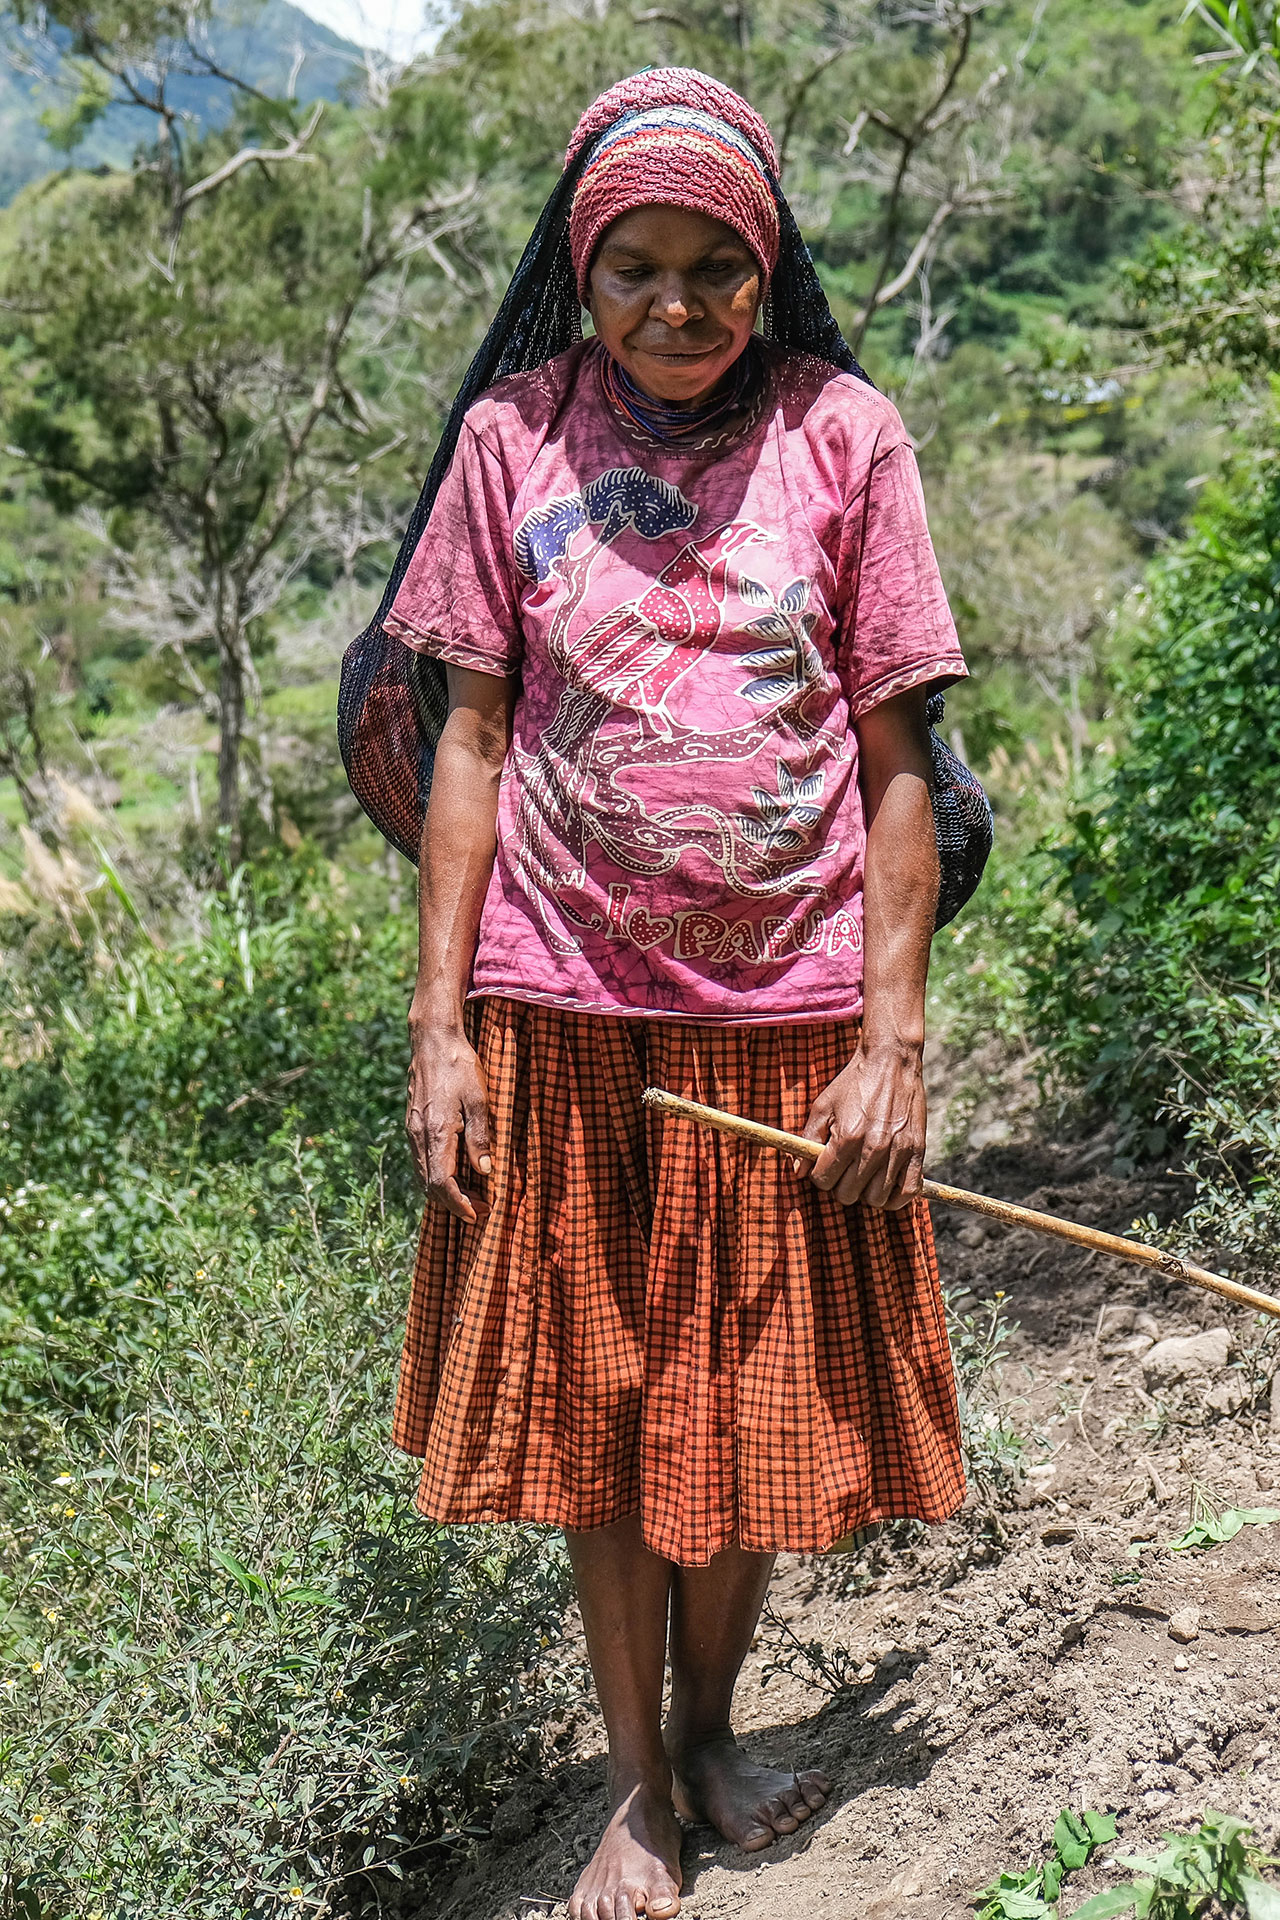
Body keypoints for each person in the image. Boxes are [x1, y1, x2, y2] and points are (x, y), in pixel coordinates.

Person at [370, 68, 968, 1920]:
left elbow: (896, 765)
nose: (680, 303)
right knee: (608, 1408)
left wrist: (891, 1038)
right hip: (561, 1015)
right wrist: (444, 1029)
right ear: (583, 263)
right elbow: (466, 741)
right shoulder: (510, 442)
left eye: (721, 268)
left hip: (784, 1016)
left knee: (750, 1399)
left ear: (768, 271)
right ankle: (637, 1784)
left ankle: (712, 1730)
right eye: (639, 265)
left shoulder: (845, 434)